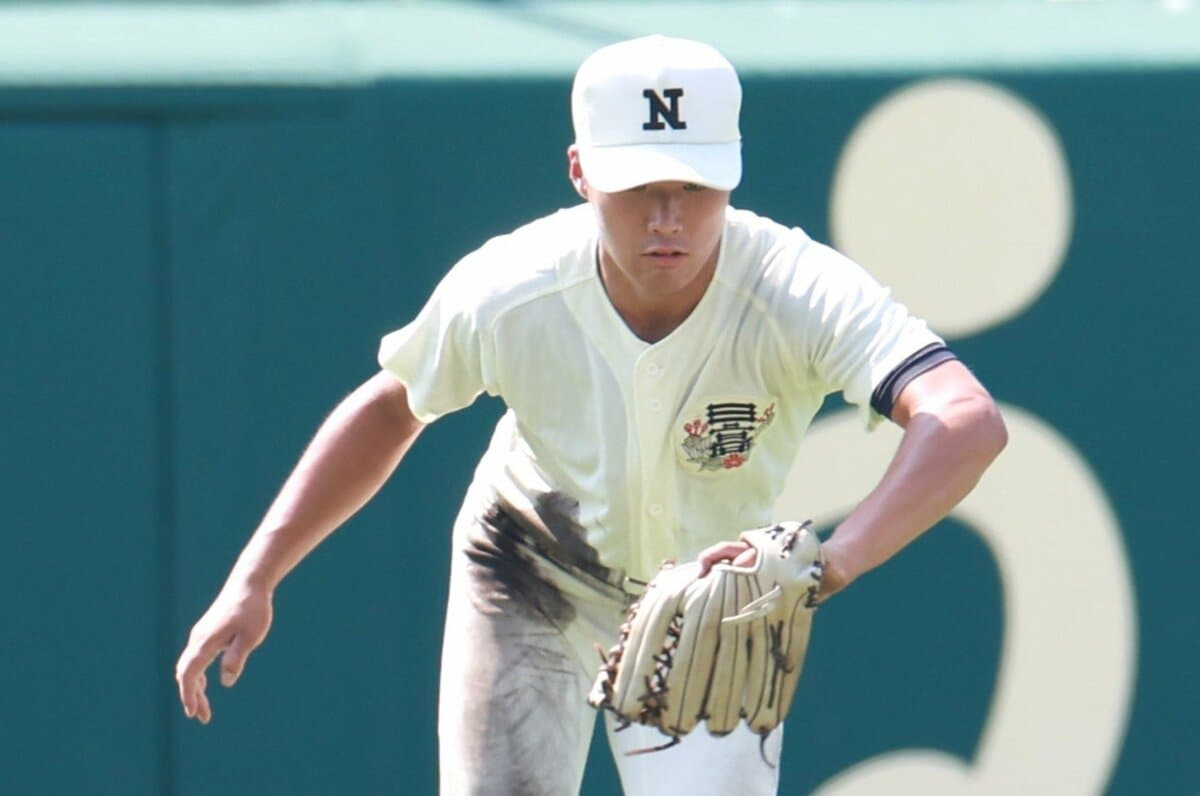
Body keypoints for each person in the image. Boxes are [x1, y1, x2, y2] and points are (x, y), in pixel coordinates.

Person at [175, 35, 1007, 796]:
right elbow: (394, 403)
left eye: (693, 184)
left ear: (734, 173)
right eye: (639, 185)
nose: (668, 216)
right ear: (580, 173)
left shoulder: (796, 290)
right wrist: (254, 578)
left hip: (713, 609)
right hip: (530, 571)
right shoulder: (514, 285)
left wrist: (834, 562)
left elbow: (965, 418)